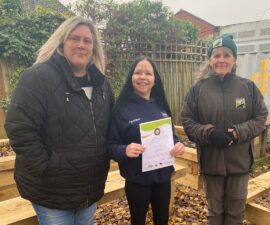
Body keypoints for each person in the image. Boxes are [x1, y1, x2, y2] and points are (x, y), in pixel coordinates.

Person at [5, 16, 114, 225]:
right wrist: (46, 167)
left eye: (87, 40)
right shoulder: (38, 77)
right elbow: (19, 128)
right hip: (51, 189)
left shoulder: (102, 85)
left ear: (94, 48)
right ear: (62, 43)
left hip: (90, 187)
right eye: (75, 38)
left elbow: (110, 125)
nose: (81, 45)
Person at [181, 34, 268, 225]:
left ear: (234, 59)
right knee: (215, 212)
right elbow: (187, 120)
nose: (221, 60)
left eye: (226, 55)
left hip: (239, 164)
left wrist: (237, 132)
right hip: (211, 163)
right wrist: (209, 133)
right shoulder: (198, 90)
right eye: (217, 55)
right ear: (210, 60)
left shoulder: (248, 87)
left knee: (235, 214)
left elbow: (261, 117)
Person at [108, 55, 185, 225]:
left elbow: (171, 136)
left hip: (163, 178)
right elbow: (111, 145)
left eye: (148, 73)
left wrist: (178, 144)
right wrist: (124, 150)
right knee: (138, 221)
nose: (143, 77)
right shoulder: (121, 109)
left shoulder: (161, 105)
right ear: (131, 78)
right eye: (138, 73)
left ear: (154, 79)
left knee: (162, 220)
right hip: (137, 181)